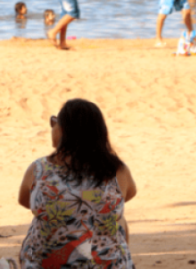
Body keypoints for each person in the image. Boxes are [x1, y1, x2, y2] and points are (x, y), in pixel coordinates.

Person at [19, 99, 136, 269]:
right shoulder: (117, 170)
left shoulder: (39, 169)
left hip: (46, 265)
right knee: (118, 220)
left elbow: (25, 201)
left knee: (41, 220)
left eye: (54, 122)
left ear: (64, 130)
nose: (52, 128)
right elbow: (128, 194)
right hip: (104, 264)